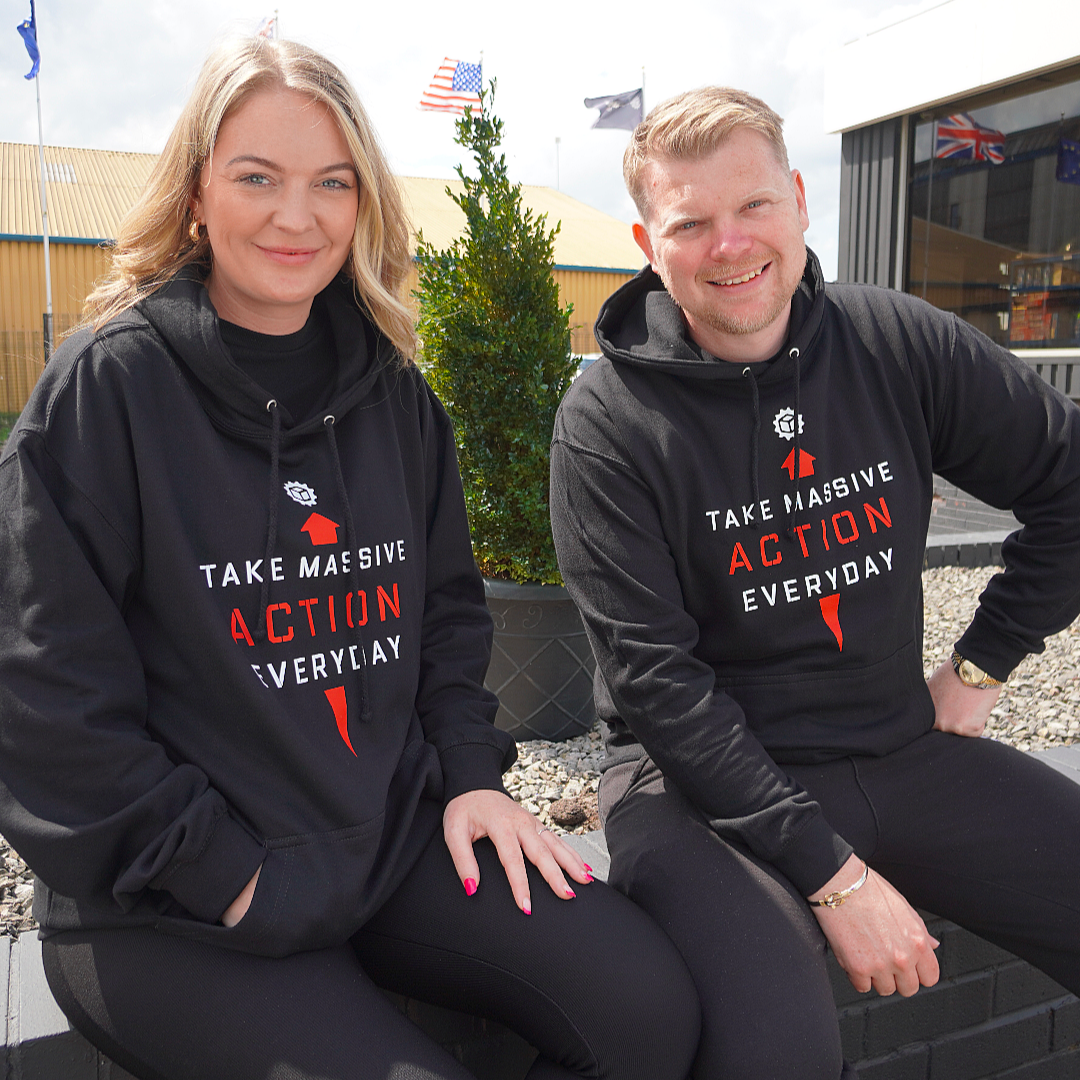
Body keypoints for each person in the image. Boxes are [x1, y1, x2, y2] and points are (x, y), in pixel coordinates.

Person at [0, 38, 701, 1080]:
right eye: (257, 177)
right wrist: (227, 876)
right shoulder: (106, 394)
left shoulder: (394, 397)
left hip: (386, 846)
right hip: (169, 903)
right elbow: (45, 699)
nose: (299, 215)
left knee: (647, 1011)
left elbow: (449, 617)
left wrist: (472, 779)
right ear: (195, 194)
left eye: (333, 182)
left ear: (364, 202)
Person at [549, 85, 1080, 1080]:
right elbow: (661, 687)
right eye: (691, 223)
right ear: (649, 244)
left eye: (754, 204)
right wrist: (836, 880)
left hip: (896, 749)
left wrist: (983, 663)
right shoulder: (607, 424)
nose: (730, 244)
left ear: (798, 200)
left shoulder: (893, 342)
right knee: (777, 1043)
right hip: (691, 792)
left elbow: (1069, 482)